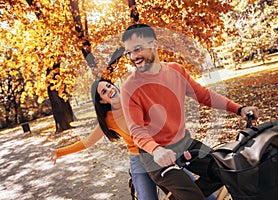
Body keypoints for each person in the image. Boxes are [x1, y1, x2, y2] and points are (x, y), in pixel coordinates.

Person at [120, 23, 259, 200]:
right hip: (154, 155)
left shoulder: (176, 70)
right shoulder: (129, 88)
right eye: (129, 53)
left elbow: (205, 96)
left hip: (184, 143)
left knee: (229, 170)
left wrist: (239, 109)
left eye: (137, 49)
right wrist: (157, 150)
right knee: (192, 197)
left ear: (154, 44)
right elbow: (137, 130)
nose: (133, 57)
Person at [48, 79, 159, 200]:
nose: (110, 90)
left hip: (159, 147)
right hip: (138, 158)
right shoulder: (108, 120)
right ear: (102, 100)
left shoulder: (135, 99)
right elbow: (88, 142)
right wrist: (58, 152)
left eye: (109, 86)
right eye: (104, 92)